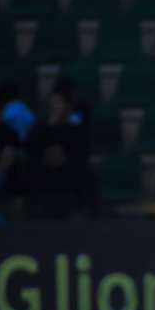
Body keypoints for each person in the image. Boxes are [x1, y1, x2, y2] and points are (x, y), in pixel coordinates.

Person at [25, 84, 94, 219]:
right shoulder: (39, 128)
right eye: (52, 103)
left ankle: (80, 212)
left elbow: (80, 155)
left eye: (58, 103)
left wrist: (63, 157)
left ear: (68, 106)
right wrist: (49, 129)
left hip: (68, 171)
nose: (55, 106)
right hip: (44, 171)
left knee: (86, 176)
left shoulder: (76, 130)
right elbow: (31, 149)